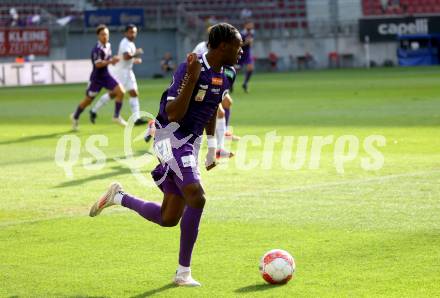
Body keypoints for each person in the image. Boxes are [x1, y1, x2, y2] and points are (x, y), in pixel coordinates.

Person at [89, 23, 243, 287]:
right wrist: (192, 79)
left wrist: (211, 147)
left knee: (169, 218)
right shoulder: (190, 68)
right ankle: (183, 273)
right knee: (197, 196)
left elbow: (211, 107)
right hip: (169, 135)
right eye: (238, 47)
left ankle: (119, 197)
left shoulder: (225, 74)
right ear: (222, 47)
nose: (242, 52)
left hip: (190, 143)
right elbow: (173, 113)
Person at [90, 24, 147, 126]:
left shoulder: (131, 43)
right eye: (130, 32)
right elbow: (125, 57)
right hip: (121, 72)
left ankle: (136, 118)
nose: (133, 34)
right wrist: (136, 54)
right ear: (125, 33)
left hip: (128, 71)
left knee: (134, 93)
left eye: (134, 32)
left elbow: (126, 58)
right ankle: (94, 110)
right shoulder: (125, 43)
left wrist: (134, 60)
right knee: (114, 94)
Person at [71, 24, 125, 130]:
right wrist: (110, 61)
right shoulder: (96, 49)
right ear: (98, 36)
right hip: (96, 78)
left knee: (121, 91)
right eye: (102, 34)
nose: (105, 36)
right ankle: (75, 116)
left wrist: (112, 61)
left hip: (106, 75)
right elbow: (98, 64)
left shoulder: (108, 45)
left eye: (106, 34)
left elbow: (107, 60)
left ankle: (116, 116)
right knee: (88, 100)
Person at [237, 21, 255, 93]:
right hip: (240, 54)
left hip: (247, 54)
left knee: (251, 68)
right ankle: (230, 84)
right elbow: (239, 45)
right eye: (249, 25)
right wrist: (246, 43)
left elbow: (250, 44)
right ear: (245, 25)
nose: (251, 26)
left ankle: (245, 83)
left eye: (252, 25)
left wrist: (250, 43)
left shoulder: (252, 33)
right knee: (236, 70)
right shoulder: (241, 34)